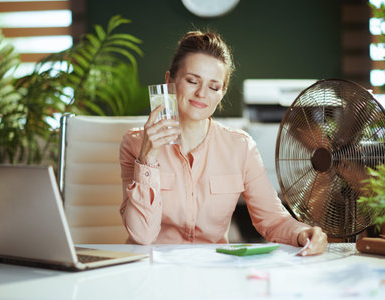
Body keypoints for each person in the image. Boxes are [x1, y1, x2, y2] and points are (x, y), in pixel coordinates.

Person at [119, 30, 328, 255]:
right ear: (170, 80)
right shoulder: (135, 143)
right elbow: (142, 235)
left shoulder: (241, 147)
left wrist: (303, 233)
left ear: (222, 93)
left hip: (213, 273)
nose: (201, 93)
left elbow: (273, 219)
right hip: (152, 272)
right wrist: (147, 160)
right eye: (192, 81)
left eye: (213, 87)